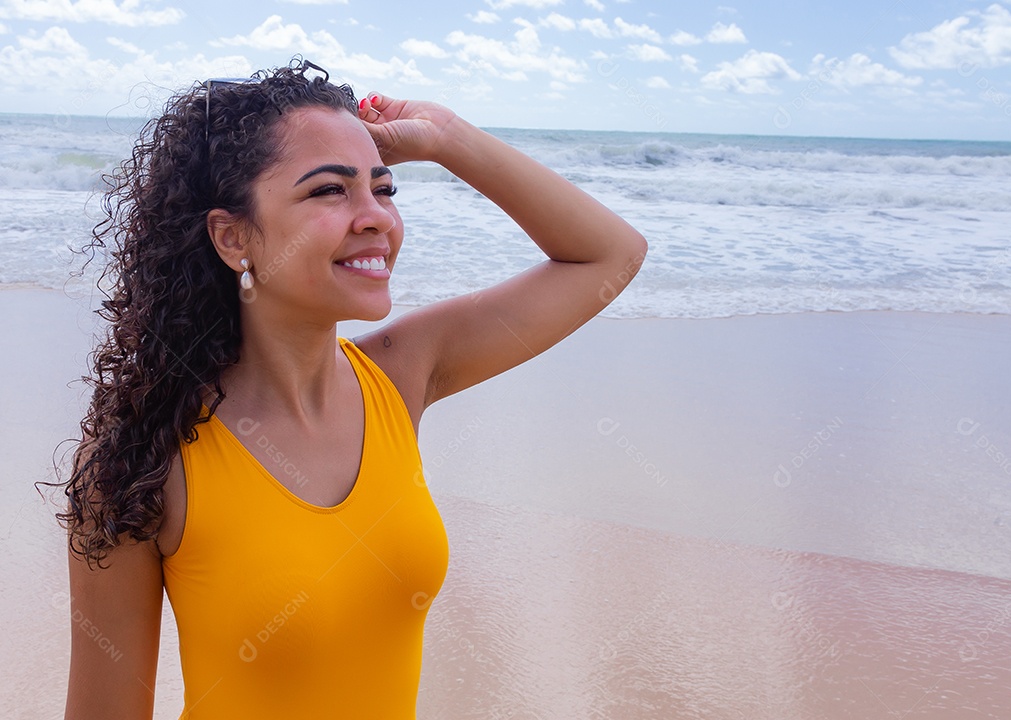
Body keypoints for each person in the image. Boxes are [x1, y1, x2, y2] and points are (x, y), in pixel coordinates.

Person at [60, 58, 646, 719]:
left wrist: (448, 137)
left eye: (384, 189)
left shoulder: (400, 375)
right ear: (232, 237)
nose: (376, 219)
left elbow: (610, 255)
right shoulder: (144, 460)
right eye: (328, 192)